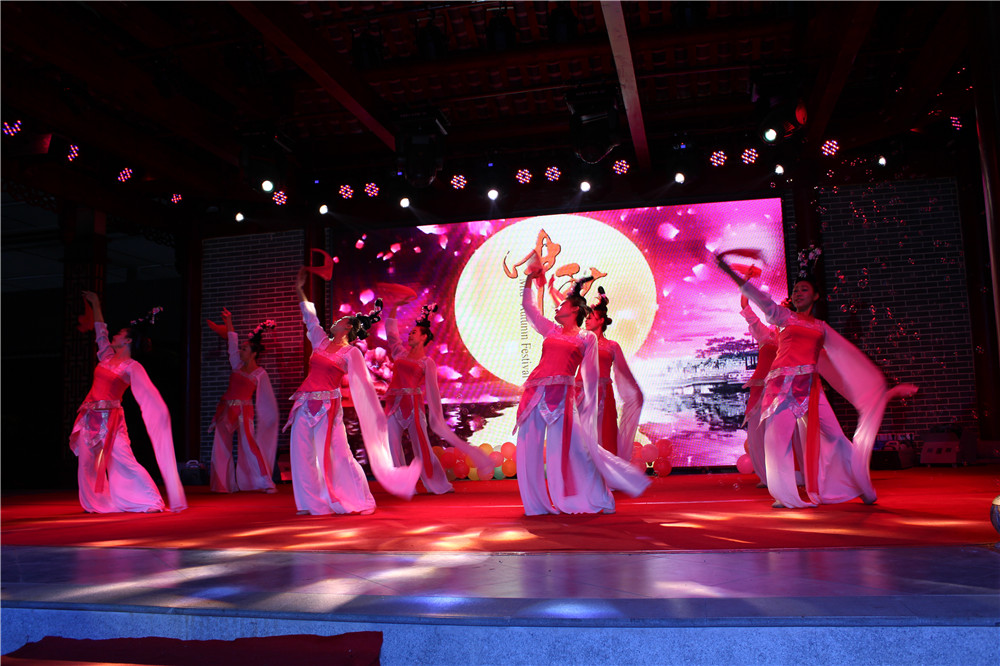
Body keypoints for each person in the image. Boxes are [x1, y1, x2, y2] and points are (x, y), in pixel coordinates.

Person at [715, 254, 917, 508]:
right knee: (778, 442)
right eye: (796, 290)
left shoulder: (821, 327)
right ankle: (785, 495)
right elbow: (757, 297)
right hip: (781, 389)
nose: (798, 293)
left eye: (804, 290)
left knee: (836, 437)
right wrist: (731, 273)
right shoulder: (783, 317)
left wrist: (878, 390)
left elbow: (845, 356)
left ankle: (861, 486)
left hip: (810, 389)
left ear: (816, 296)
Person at [514, 257, 650, 515]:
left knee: (578, 450)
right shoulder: (550, 330)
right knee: (528, 450)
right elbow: (528, 308)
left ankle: (596, 497)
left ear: (575, 309)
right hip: (534, 394)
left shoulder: (586, 338)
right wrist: (530, 279)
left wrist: (588, 403)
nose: (557, 307)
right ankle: (536, 506)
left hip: (562, 399)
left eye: (562, 304)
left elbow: (589, 376)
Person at [285, 268, 419, 515]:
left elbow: (363, 385)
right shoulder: (320, 341)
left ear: (347, 327)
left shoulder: (351, 353)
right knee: (302, 452)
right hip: (304, 403)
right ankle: (310, 503)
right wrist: (299, 289)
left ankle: (357, 498)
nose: (335, 322)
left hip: (328, 407)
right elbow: (310, 319)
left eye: (340, 320)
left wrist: (375, 413)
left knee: (339, 455)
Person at [69, 291, 187, 513]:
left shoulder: (132, 367)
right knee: (87, 462)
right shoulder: (106, 357)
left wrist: (159, 414)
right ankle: (96, 503)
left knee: (124, 459)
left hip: (111, 421)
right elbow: (100, 331)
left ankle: (149, 501)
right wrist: (96, 305)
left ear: (128, 340)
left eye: (120, 333)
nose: (114, 335)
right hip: (89, 417)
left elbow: (148, 394)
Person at [380, 289, 492, 493]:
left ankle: (437, 483)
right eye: (410, 332)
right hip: (394, 405)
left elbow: (432, 391)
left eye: (414, 333)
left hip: (413, 407)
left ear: (424, 337)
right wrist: (395, 307)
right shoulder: (399, 353)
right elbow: (391, 334)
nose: (410, 334)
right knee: (393, 446)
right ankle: (403, 485)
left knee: (422, 448)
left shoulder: (427, 362)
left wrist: (436, 416)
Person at [207, 309, 279, 493]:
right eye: (241, 348)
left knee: (249, 446)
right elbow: (232, 344)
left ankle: (265, 482)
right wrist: (229, 321)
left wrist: (268, 418)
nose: (240, 351)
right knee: (220, 446)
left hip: (244, 412)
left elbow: (266, 399)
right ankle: (223, 485)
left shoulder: (259, 373)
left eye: (245, 349)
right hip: (226, 410)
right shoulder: (236, 365)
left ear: (253, 354)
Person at [578, 285, 644, 460]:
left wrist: (635, 393)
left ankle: (606, 473)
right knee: (580, 438)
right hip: (581, 393)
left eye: (590, 317)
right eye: (586, 317)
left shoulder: (612, 346)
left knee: (605, 435)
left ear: (601, 321)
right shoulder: (581, 341)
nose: (586, 320)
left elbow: (624, 373)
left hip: (603, 395)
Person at [738, 291, 780, 488]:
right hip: (762, 388)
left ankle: (790, 474)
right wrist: (745, 284)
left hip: (783, 389)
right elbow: (745, 307)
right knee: (758, 432)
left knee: (781, 433)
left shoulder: (793, 334)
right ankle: (765, 474)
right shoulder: (765, 332)